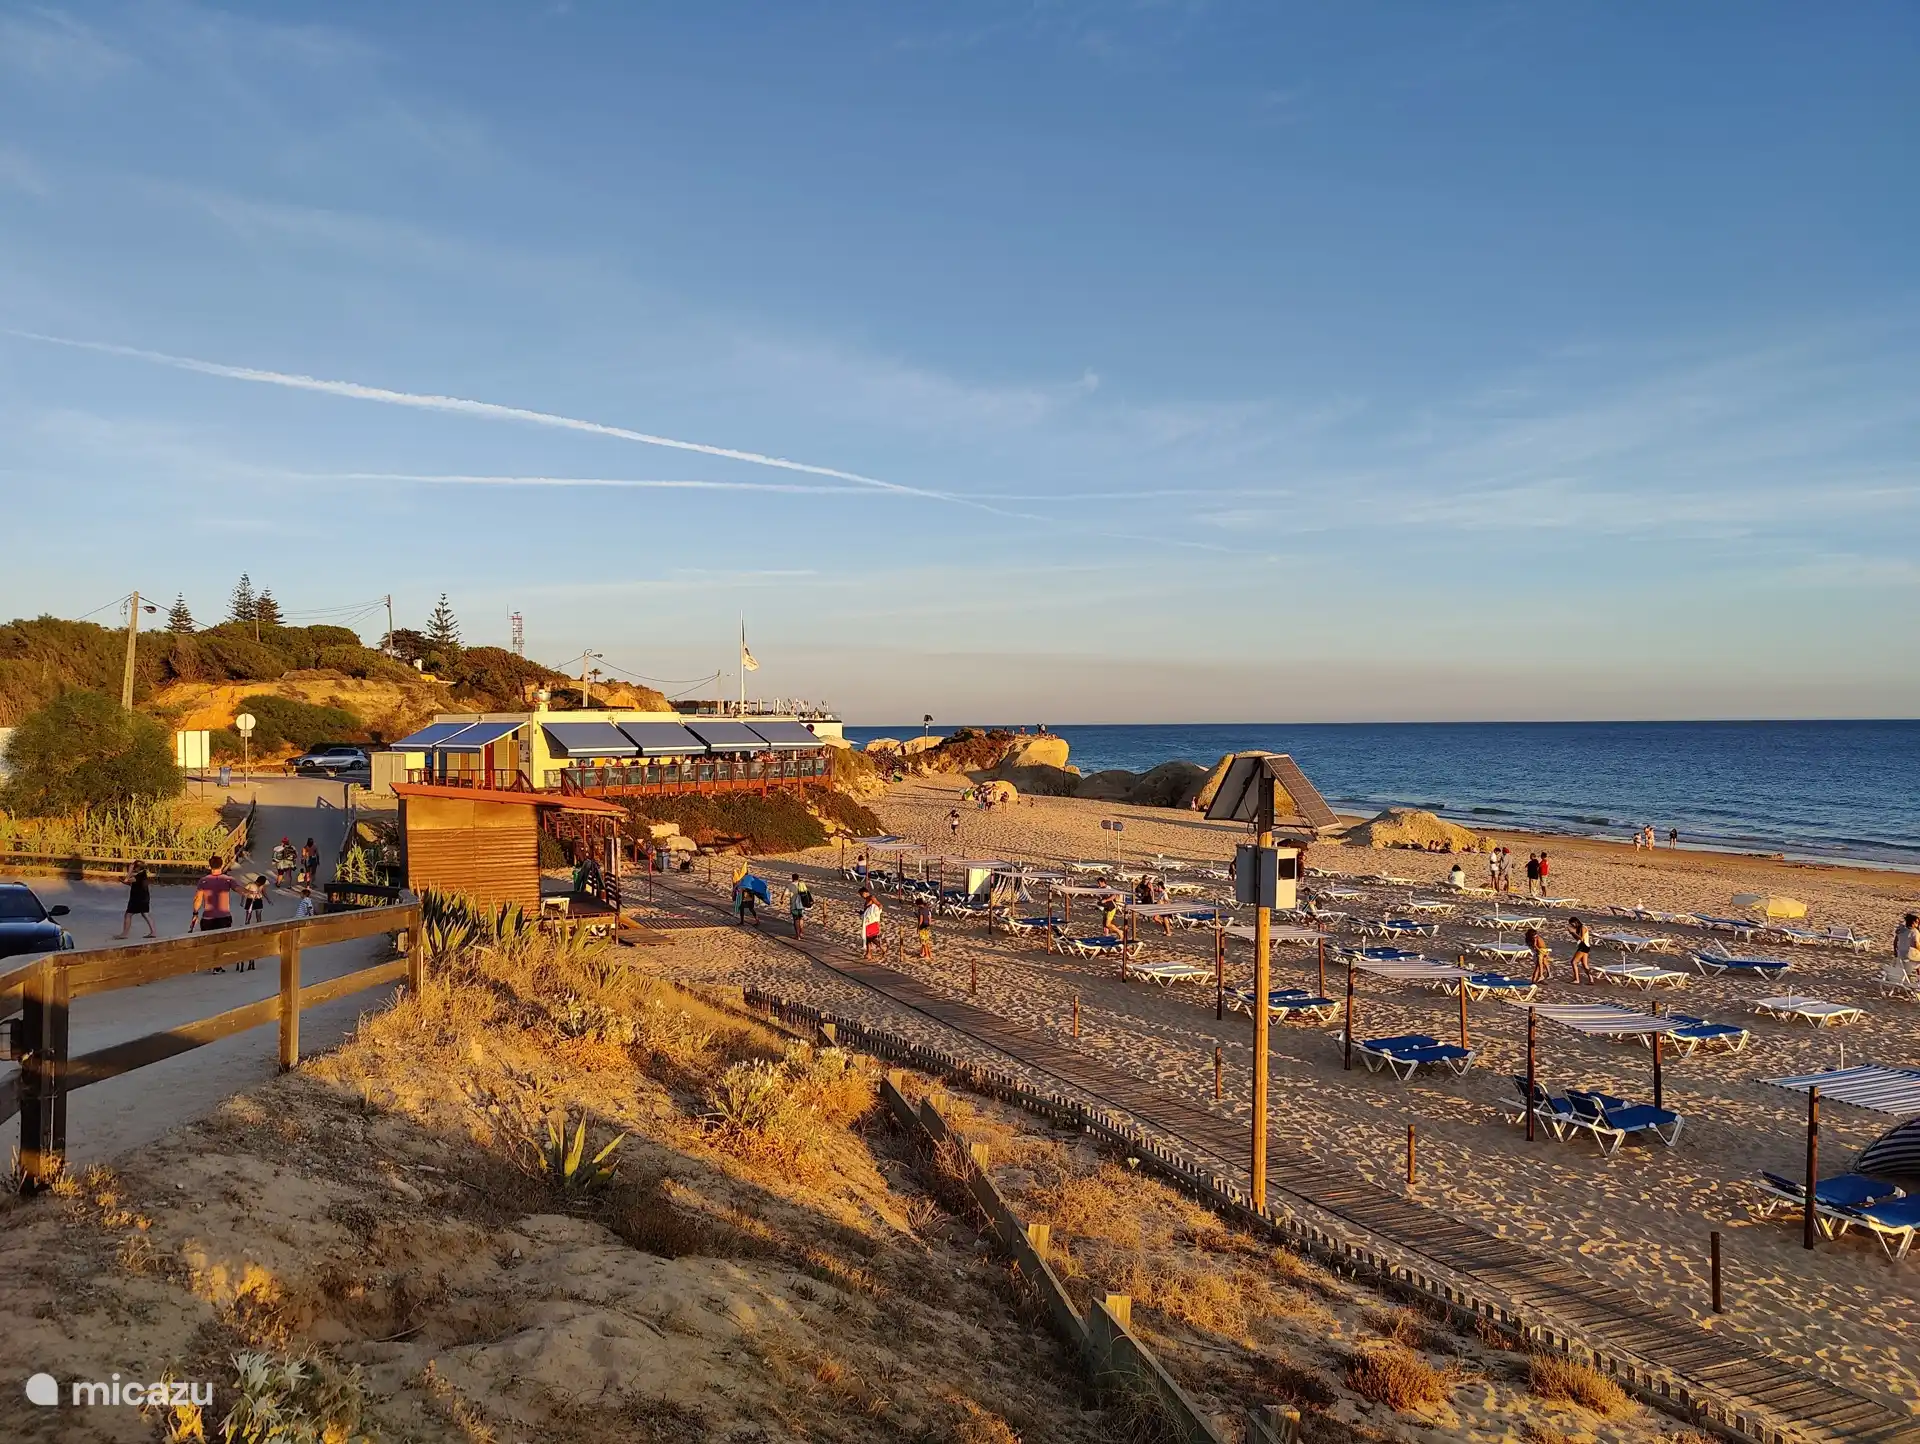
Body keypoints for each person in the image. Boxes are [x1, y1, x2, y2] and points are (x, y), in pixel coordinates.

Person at [191, 856, 236, 969]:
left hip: (208, 916)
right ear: (222, 864)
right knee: (221, 941)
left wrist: (195, 913)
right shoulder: (228, 879)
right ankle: (217, 964)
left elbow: (198, 899)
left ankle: (211, 962)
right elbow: (239, 889)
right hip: (224, 916)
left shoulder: (203, 880)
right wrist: (251, 893)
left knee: (209, 941)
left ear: (210, 865)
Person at [114, 864, 155, 940]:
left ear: (137, 868)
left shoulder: (139, 876)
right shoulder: (143, 875)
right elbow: (131, 884)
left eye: (133, 867)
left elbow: (128, 880)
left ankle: (124, 934)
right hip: (144, 898)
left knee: (128, 915)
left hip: (138, 898)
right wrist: (122, 881)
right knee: (145, 914)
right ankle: (153, 932)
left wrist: (129, 871)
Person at [1567, 916, 1596, 984]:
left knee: (1573, 962)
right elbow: (1577, 939)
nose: (1572, 926)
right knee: (1584, 965)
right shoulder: (1579, 928)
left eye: (1572, 924)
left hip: (1584, 946)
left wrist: (1573, 932)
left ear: (1576, 922)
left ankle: (1577, 979)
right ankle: (1591, 979)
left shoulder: (1583, 927)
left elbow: (1581, 939)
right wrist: (1572, 933)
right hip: (1583, 946)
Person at [860, 890, 883, 959]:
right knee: (868, 937)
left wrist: (874, 915)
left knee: (870, 937)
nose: (861, 896)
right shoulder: (867, 899)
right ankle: (868, 953)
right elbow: (867, 910)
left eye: (862, 894)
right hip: (868, 920)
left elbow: (880, 905)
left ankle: (882, 947)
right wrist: (862, 913)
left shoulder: (872, 897)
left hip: (872, 920)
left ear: (866, 892)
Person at [789, 873, 813, 937]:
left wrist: (782, 900)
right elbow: (807, 893)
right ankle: (801, 933)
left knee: (796, 919)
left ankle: (797, 935)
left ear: (792, 878)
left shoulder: (790, 885)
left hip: (794, 905)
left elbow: (784, 894)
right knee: (801, 918)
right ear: (798, 878)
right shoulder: (802, 884)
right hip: (802, 904)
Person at [916, 895, 934, 959]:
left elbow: (921, 919)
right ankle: (924, 953)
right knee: (926, 940)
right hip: (927, 926)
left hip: (922, 926)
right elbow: (929, 918)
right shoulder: (927, 909)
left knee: (924, 942)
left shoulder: (920, 910)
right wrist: (929, 924)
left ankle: (927, 955)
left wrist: (918, 927)